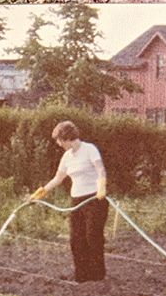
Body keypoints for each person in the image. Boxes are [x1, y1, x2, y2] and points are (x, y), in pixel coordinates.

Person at [31, 121, 109, 283]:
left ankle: (97, 276)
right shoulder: (67, 157)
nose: (58, 144)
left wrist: (101, 185)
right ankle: (82, 275)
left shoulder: (89, 149)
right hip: (77, 201)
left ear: (67, 137)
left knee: (92, 237)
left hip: (95, 199)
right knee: (76, 239)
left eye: (59, 140)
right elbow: (58, 178)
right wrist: (41, 192)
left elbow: (100, 169)